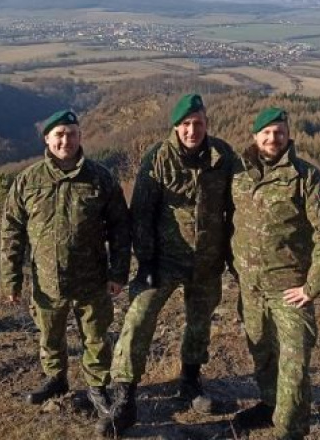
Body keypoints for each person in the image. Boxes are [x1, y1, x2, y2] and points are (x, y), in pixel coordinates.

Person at [97, 94, 236, 437]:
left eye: (198, 123)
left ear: (207, 124)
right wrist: (145, 261)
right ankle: (125, 395)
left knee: (200, 322)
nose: (192, 130)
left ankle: (190, 381)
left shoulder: (223, 156)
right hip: (163, 260)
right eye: (186, 124)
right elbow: (141, 213)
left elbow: (237, 206)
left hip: (206, 260)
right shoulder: (158, 158)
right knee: (139, 318)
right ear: (175, 127)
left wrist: (234, 255)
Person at [0, 109, 131, 421]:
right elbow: (11, 231)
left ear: (80, 136)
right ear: (47, 139)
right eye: (59, 134)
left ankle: (97, 387)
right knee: (50, 334)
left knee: (96, 338)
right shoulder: (28, 180)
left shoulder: (100, 178)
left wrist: (118, 273)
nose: (65, 140)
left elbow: (120, 228)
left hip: (92, 279)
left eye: (71, 134)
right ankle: (55, 379)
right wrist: (11, 279)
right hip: (46, 280)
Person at [230, 107, 320, 440]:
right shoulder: (238, 174)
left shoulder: (307, 178)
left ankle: (290, 428)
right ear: (255, 136)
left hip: (289, 290)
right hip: (250, 289)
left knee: (293, 363)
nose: (273, 138)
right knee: (262, 353)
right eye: (266, 132)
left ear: (288, 135)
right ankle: (270, 404)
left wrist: (313, 286)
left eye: (279, 132)